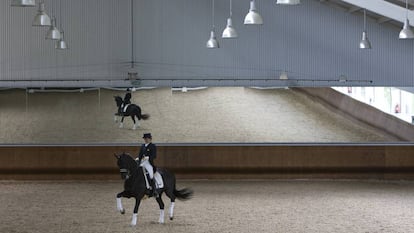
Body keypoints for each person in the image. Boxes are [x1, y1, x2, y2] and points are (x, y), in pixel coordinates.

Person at [136, 133, 158, 197]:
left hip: (148, 163)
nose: (146, 140)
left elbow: (154, 155)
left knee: (151, 174)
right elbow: (140, 154)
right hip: (142, 162)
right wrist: (138, 158)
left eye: (147, 139)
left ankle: (154, 190)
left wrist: (148, 157)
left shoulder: (153, 146)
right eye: (145, 139)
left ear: (150, 139)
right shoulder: (143, 146)